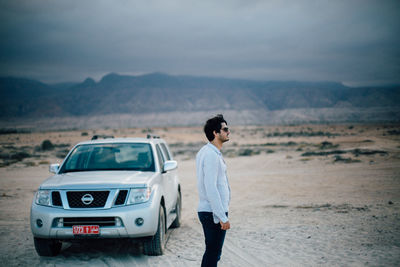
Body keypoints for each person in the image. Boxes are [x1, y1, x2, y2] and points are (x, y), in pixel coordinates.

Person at [196, 114, 231, 267]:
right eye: (225, 129)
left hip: (211, 211)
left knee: (212, 253)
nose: (228, 132)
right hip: (213, 213)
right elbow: (211, 188)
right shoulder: (210, 155)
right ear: (215, 133)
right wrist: (222, 216)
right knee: (213, 253)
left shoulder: (207, 152)